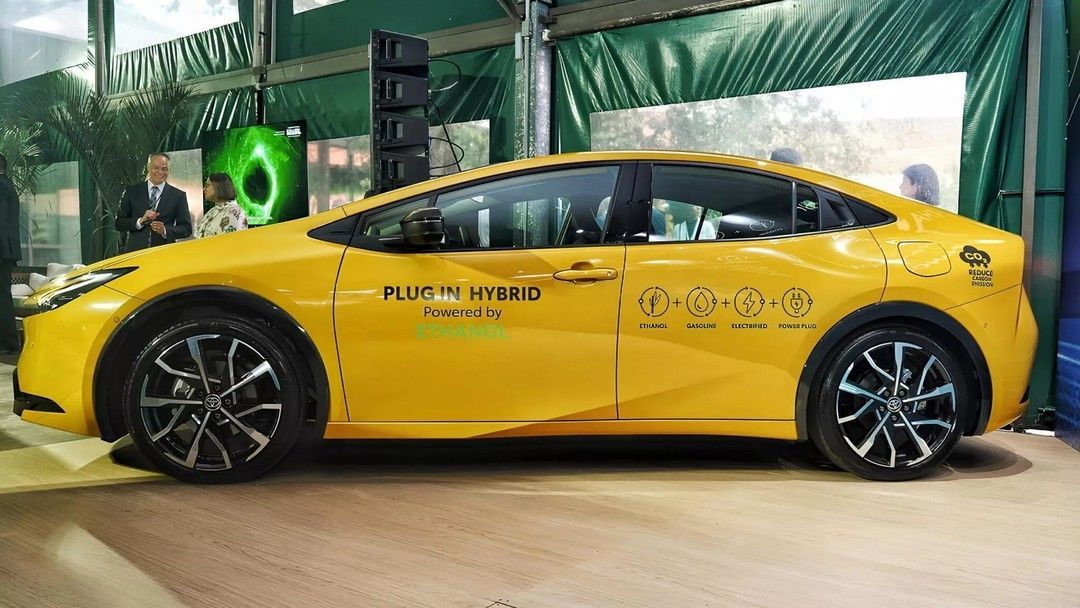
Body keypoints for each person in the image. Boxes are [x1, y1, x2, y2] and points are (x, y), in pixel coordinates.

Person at [114, 153, 192, 252]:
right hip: (135, 252)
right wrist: (140, 221)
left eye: (164, 169)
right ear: (148, 167)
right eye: (156, 168)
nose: (160, 172)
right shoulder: (132, 191)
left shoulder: (178, 195)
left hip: (164, 253)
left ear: (169, 170)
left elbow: (186, 229)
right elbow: (119, 223)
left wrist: (165, 230)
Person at [0, 154, 21, 355]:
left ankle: (8, 343)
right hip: (5, 250)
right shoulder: (8, 185)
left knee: (2, 297)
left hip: (2, 250)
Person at [195, 173, 249, 238]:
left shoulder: (235, 212)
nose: (204, 189)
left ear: (219, 186)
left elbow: (230, 241)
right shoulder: (213, 210)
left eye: (207, 185)